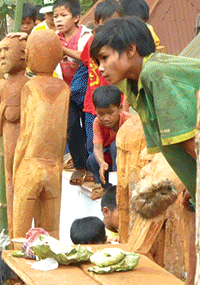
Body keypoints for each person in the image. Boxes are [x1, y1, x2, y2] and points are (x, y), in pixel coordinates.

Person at [92, 17, 200, 285]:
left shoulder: (156, 72)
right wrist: (197, 184)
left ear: (130, 49)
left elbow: (189, 135)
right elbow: (176, 138)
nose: (100, 67)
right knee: (199, 205)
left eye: (105, 57)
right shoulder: (134, 84)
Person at [79, 0, 123, 180]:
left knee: (117, 145)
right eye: (104, 22)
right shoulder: (91, 42)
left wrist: (123, 107)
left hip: (114, 102)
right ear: (97, 22)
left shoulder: (121, 43)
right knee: (92, 144)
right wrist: (64, 50)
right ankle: (98, 177)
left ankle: (115, 179)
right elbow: (83, 59)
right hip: (92, 103)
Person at [53, 0, 93, 185]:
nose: (58, 20)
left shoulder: (86, 36)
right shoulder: (53, 37)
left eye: (63, 15)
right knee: (71, 128)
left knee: (89, 127)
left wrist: (62, 50)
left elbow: (86, 56)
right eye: (55, 16)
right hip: (65, 90)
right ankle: (79, 166)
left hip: (85, 90)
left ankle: (92, 167)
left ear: (76, 17)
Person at [87, 85, 129, 189]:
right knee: (92, 160)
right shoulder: (97, 122)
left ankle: (117, 186)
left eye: (110, 113)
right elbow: (97, 148)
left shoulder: (128, 121)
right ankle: (105, 188)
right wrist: (101, 163)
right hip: (109, 157)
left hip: (126, 157)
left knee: (115, 145)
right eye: (101, 114)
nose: (106, 118)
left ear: (120, 108)